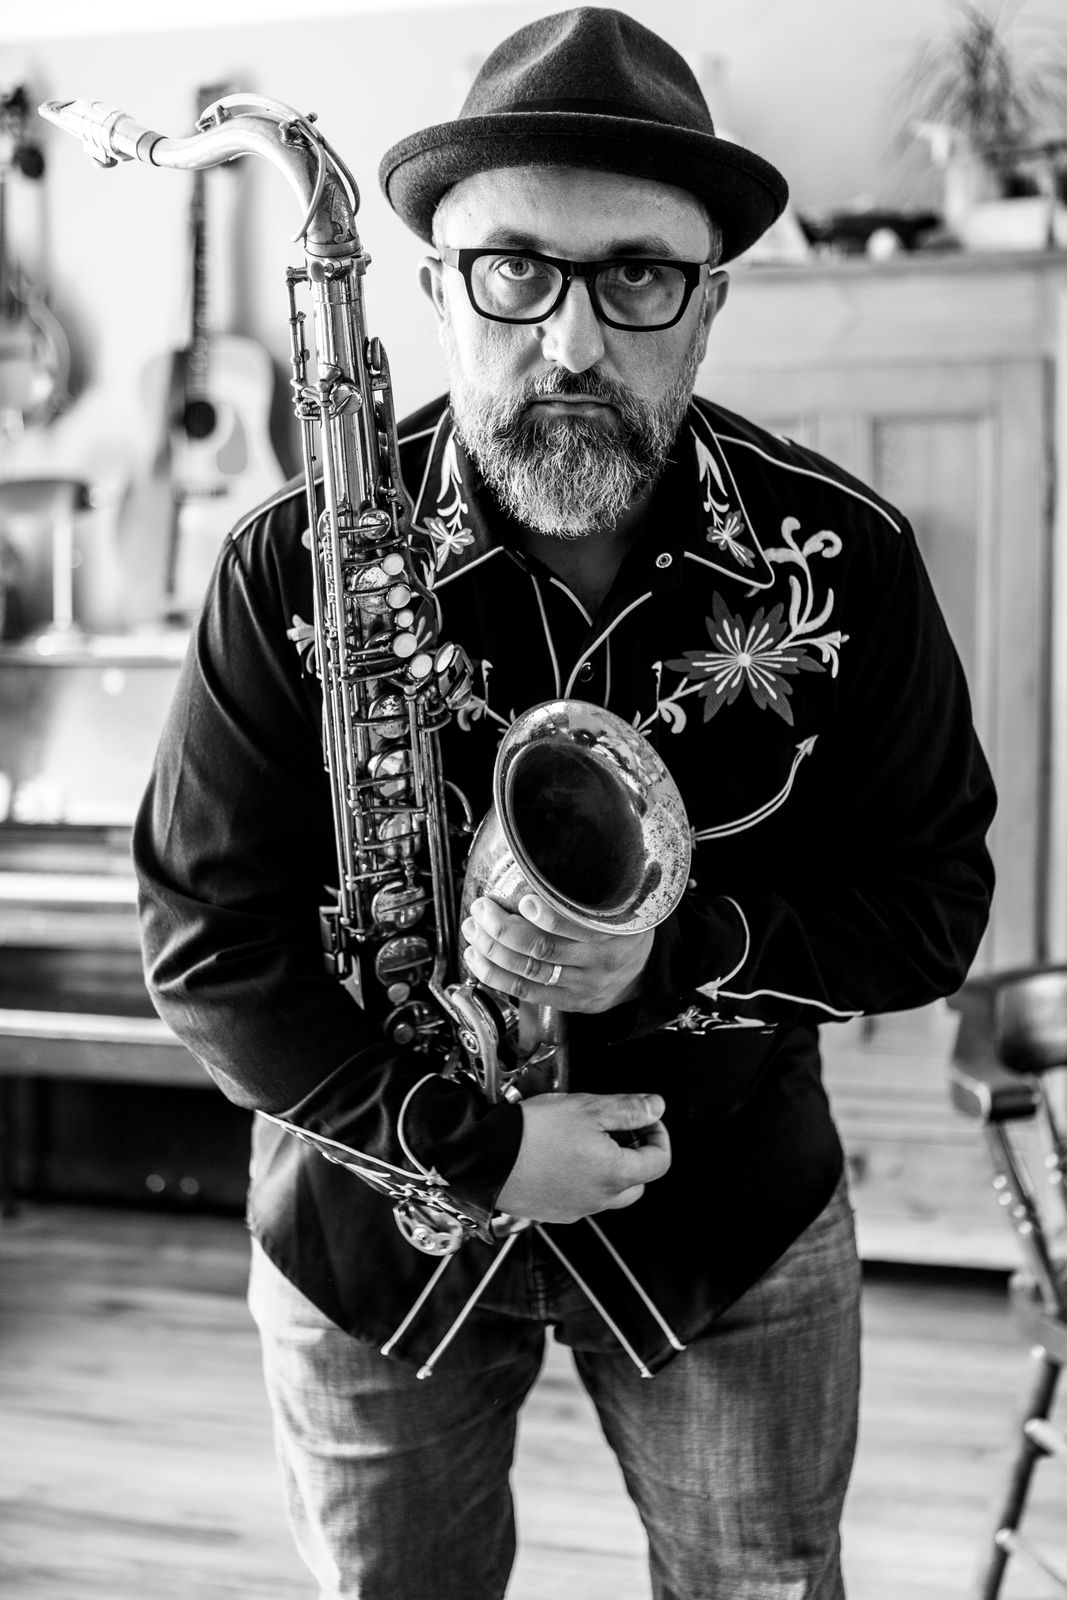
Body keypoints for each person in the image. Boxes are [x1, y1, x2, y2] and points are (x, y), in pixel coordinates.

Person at [133, 9, 997, 1598]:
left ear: (710, 303)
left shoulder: (850, 562)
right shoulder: (286, 566)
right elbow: (203, 945)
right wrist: (469, 1145)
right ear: (436, 291)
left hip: (727, 1221)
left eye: (640, 276)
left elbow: (935, 903)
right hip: (374, 1227)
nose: (575, 342)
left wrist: (675, 957)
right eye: (514, 271)